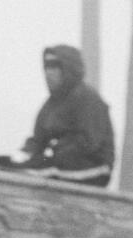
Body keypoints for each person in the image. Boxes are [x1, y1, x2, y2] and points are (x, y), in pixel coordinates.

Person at [8, 45, 115, 187]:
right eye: (46, 67)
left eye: (54, 67)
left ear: (68, 68)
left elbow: (89, 142)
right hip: (61, 162)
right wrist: (23, 155)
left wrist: (55, 153)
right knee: (16, 166)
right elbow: (38, 139)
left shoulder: (87, 98)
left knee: (40, 170)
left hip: (94, 168)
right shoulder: (51, 104)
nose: (48, 72)